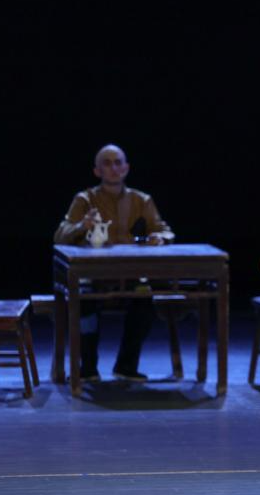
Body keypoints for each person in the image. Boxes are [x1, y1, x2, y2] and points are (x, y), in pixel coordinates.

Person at [54, 144, 174, 381]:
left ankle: (126, 366)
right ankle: (88, 368)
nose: (114, 168)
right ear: (97, 171)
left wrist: (160, 237)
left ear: (126, 168)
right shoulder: (85, 199)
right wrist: (82, 226)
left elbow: (164, 230)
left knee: (145, 303)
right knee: (84, 305)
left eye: (118, 162)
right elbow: (59, 236)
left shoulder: (141, 200)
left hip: (129, 274)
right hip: (94, 276)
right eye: (107, 163)